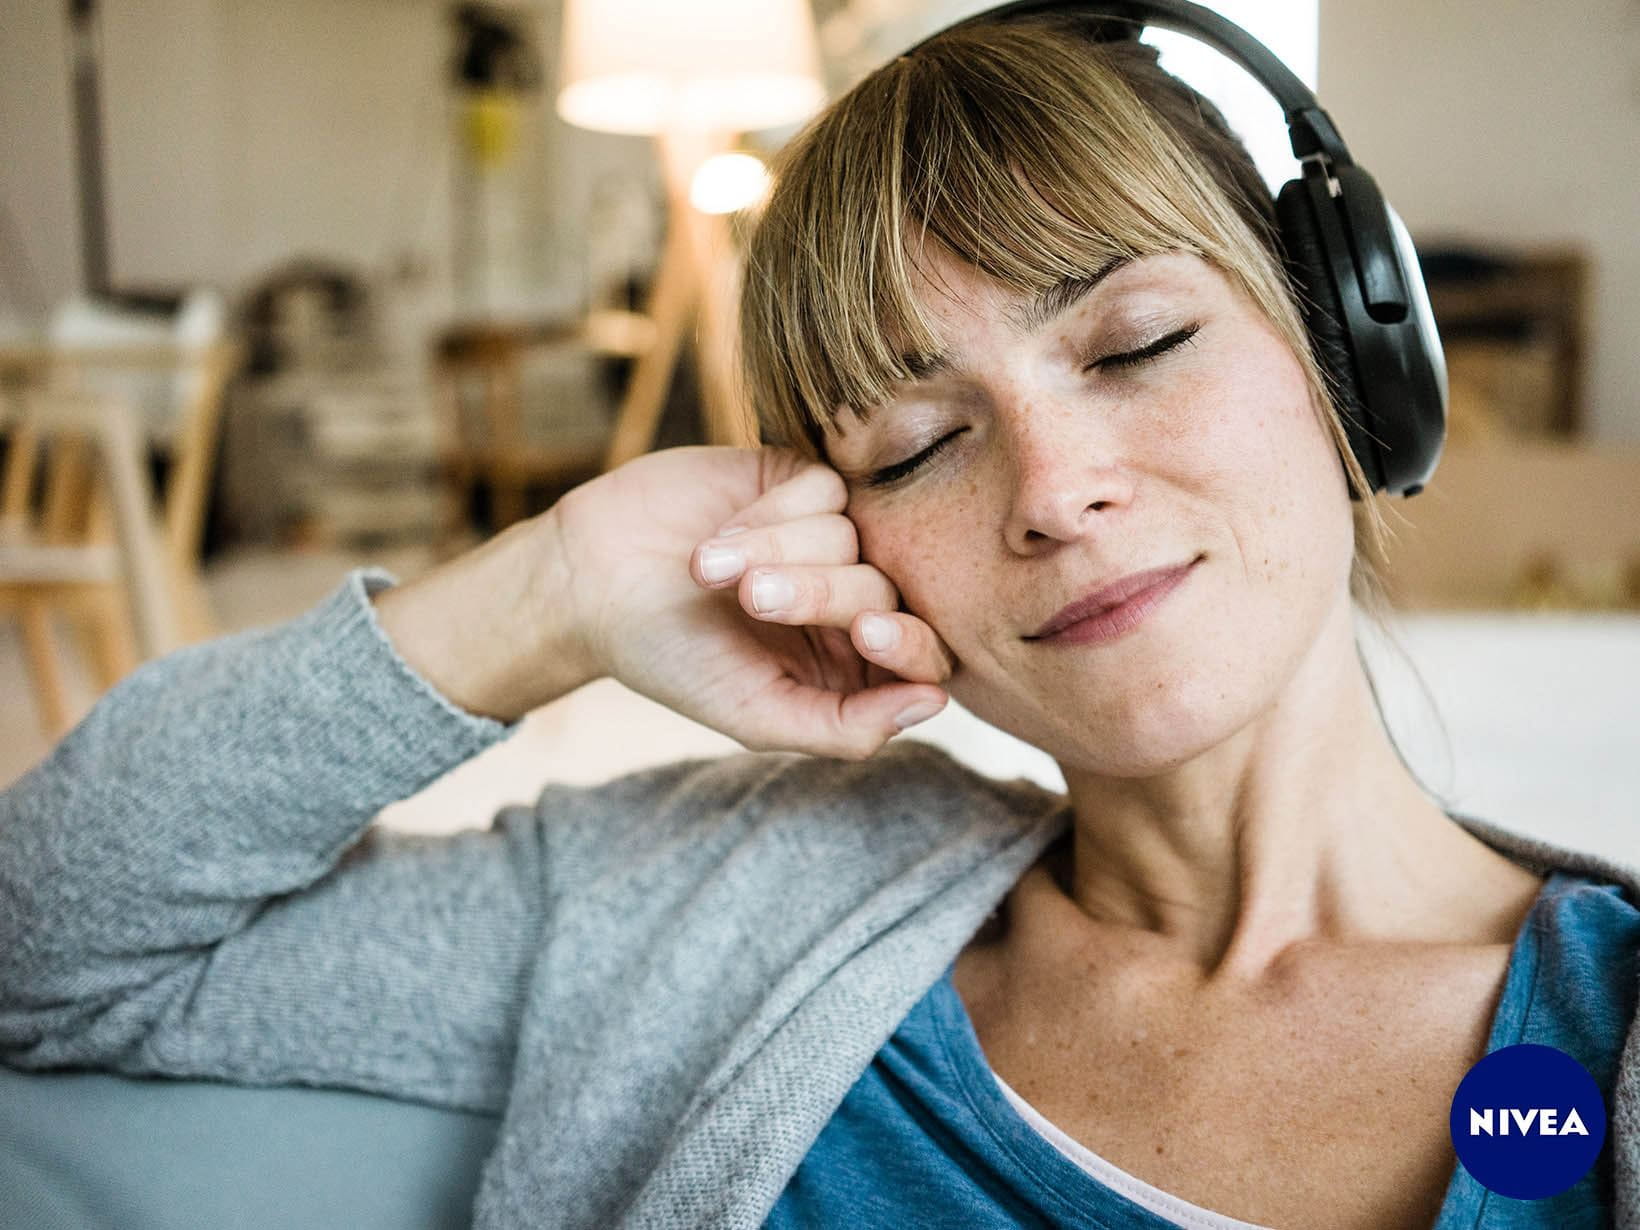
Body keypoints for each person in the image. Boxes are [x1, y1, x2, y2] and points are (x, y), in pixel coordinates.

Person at [3, 7, 1636, 1230]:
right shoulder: (717, 895)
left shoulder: (1603, 1025)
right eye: (917, 444)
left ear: (1350, 362)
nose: (1053, 489)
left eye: (1137, 343)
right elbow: (42, 948)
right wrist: (549, 593)